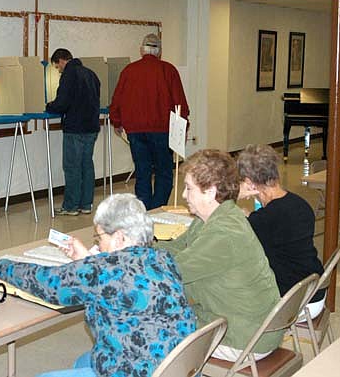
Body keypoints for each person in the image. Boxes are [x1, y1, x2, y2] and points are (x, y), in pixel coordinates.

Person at [0, 194, 196, 377]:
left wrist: (1, 267)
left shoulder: (105, 270)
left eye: (99, 236)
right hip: (176, 363)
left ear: (119, 238)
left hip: (136, 369)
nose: (97, 244)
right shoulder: (163, 258)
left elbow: (50, 284)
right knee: (84, 361)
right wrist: (86, 262)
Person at [157, 149, 282, 362]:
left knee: (148, 332)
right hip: (249, 325)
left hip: (245, 338)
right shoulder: (217, 216)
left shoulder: (223, 234)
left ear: (210, 191)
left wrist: (127, 259)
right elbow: (176, 247)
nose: (184, 195)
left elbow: (172, 273)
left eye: (189, 188)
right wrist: (137, 249)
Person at [237, 144, 326, 318]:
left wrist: (234, 196)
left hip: (294, 303)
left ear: (249, 182)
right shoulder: (300, 204)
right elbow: (274, 226)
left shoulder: (264, 220)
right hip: (315, 290)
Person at [109, 33, 189, 210]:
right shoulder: (168, 70)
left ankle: (144, 211)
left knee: (143, 172)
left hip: (135, 131)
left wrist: (117, 122)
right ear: (159, 52)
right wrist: (183, 128)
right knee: (164, 172)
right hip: (162, 130)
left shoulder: (129, 71)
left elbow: (117, 99)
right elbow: (180, 103)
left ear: (141, 50)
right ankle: (158, 209)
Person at [46, 48, 101, 216]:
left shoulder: (69, 75)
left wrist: (49, 106)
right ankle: (86, 204)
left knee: (72, 167)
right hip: (91, 127)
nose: (58, 70)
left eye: (57, 66)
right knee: (87, 165)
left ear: (61, 60)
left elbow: (62, 102)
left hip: (75, 128)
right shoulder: (91, 73)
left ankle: (70, 206)